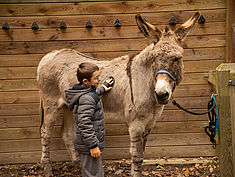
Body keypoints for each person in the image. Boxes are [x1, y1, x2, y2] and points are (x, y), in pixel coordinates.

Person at [65, 62, 114, 177]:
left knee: (93, 172)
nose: (100, 79)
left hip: (86, 143)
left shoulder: (83, 92)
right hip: (88, 145)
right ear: (85, 82)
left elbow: (91, 93)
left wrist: (102, 88)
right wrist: (93, 146)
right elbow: (84, 124)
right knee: (93, 174)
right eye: (96, 78)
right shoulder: (87, 98)